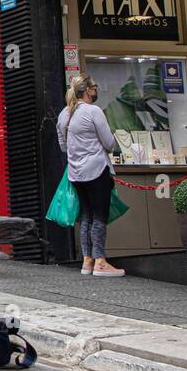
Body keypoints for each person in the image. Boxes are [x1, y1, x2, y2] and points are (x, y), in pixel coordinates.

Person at [57, 73, 123, 276]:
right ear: (87, 90)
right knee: (100, 215)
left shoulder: (64, 115)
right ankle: (101, 261)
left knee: (86, 214)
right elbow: (109, 143)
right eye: (94, 87)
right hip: (96, 169)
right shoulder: (93, 111)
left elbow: (62, 146)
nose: (96, 90)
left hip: (75, 173)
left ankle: (88, 260)